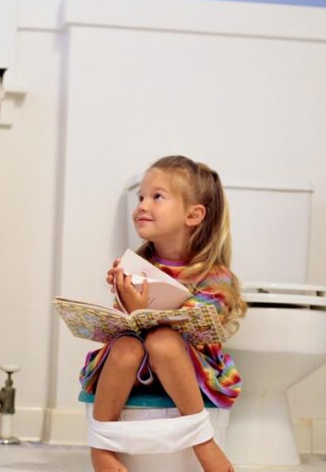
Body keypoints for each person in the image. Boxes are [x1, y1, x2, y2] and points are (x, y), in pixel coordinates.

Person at [79, 155, 247, 472]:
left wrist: (144, 310)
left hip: (188, 370)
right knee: (126, 346)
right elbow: (128, 328)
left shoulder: (214, 276)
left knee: (163, 341)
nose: (142, 205)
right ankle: (101, 446)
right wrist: (124, 302)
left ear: (193, 215)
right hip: (136, 366)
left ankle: (203, 441)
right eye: (141, 197)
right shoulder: (136, 267)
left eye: (157, 197)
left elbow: (199, 330)